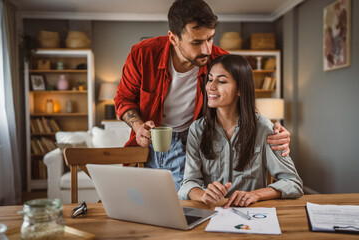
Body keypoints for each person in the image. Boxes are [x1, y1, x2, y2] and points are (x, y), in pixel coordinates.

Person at [114, 0, 291, 190]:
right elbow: (124, 99)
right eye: (197, 42)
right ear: (173, 38)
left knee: (190, 200)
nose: (207, 49)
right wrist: (139, 126)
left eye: (210, 39)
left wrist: (271, 133)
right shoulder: (143, 54)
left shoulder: (219, 59)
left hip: (197, 136)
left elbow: (239, 101)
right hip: (154, 137)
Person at [178, 54, 303, 207]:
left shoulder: (263, 128)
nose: (211, 86)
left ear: (240, 89)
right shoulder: (197, 129)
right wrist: (203, 194)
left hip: (252, 216)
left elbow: (293, 182)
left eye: (222, 81)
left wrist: (256, 194)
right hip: (211, 215)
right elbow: (188, 183)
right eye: (210, 79)